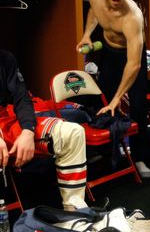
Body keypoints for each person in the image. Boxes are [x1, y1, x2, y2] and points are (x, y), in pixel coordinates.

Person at [76, 0, 150, 178]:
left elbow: (134, 64)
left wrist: (118, 97)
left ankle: (139, 157)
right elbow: (93, 13)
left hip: (132, 56)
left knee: (137, 106)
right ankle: (107, 151)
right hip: (109, 51)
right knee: (103, 101)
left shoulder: (132, 17)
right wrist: (87, 34)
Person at [0, 49, 87, 211]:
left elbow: (22, 98)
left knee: (72, 133)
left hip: (4, 119)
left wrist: (28, 130)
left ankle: (74, 214)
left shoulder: (5, 58)